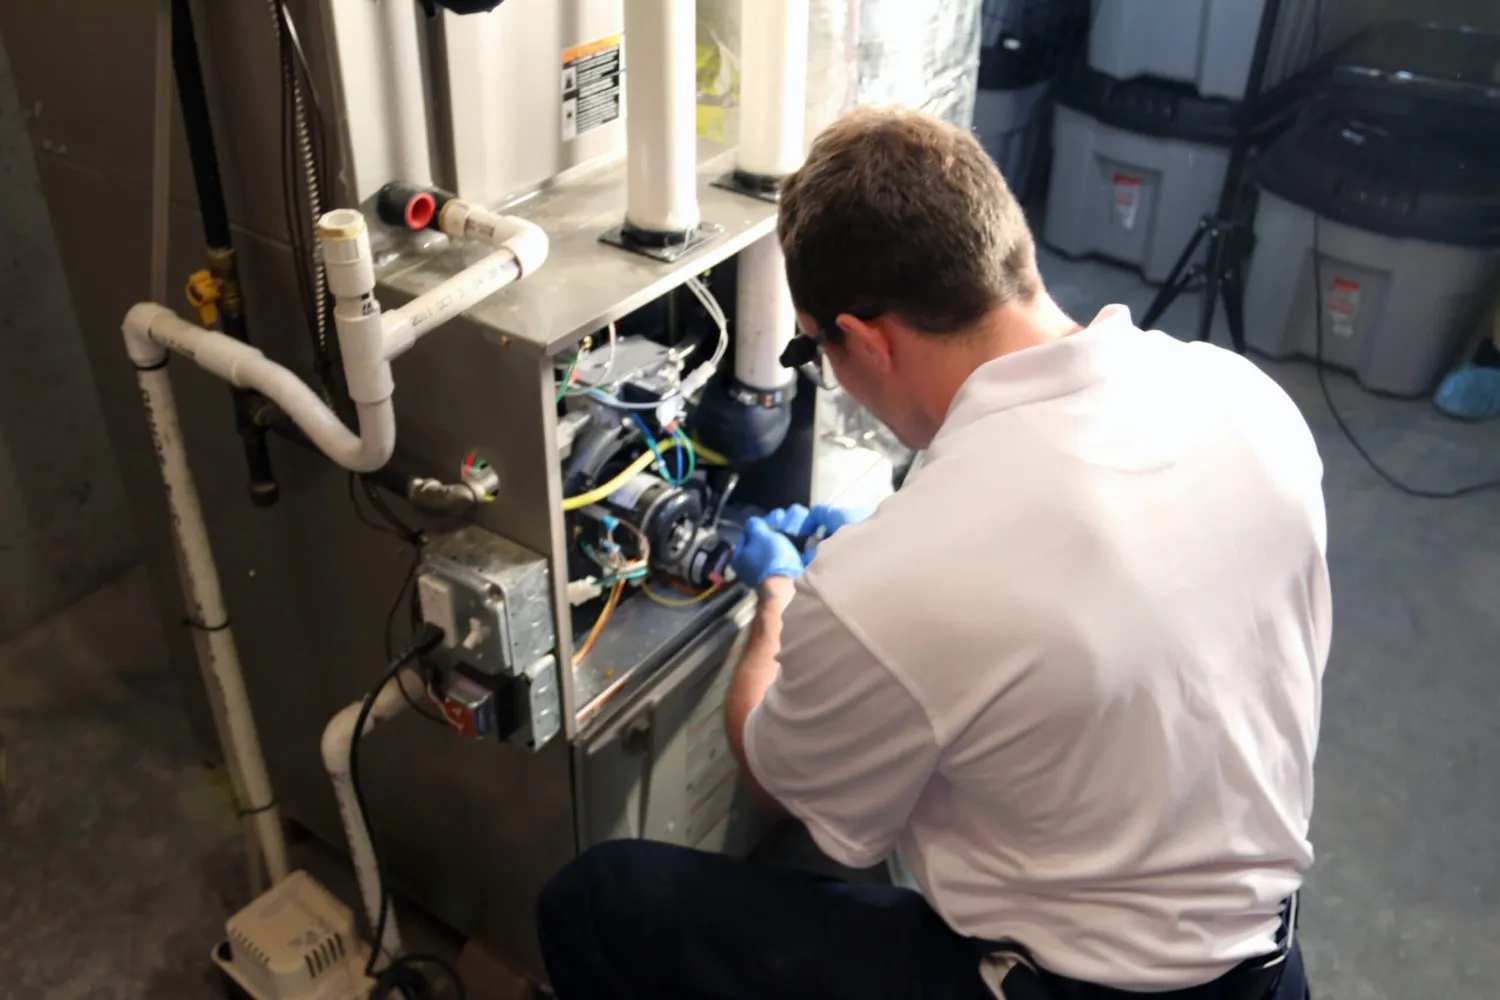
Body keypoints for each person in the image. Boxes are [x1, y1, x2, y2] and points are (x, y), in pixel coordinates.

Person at [536, 107, 1327, 1000]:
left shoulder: (895, 584)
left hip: (1061, 991)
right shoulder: (1246, 400)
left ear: (864, 340)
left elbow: (774, 779)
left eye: (815, 349)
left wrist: (783, 601)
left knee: (597, 898)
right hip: (1267, 968)